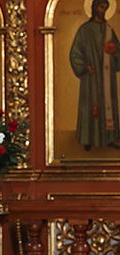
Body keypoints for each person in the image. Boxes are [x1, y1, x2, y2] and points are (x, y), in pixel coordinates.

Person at [69, 0, 120, 151]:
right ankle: (88, 139)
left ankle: (110, 138)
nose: (103, 10)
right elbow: (75, 53)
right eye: (101, 7)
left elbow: (118, 53)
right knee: (91, 105)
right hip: (90, 77)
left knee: (108, 104)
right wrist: (85, 67)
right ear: (93, 8)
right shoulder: (84, 30)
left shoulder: (109, 30)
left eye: (105, 8)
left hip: (107, 77)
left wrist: (114, 51)